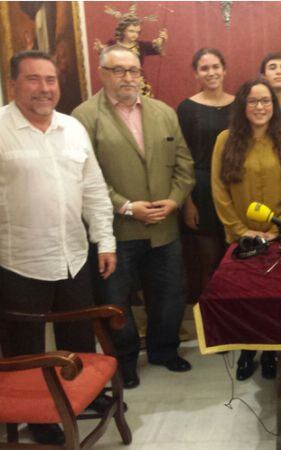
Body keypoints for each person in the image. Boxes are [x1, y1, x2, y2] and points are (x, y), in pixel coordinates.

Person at [0, 50, 117, 446]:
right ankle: (37, 416)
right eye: (33, 79)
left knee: (77, 337)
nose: (44, 88)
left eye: (50, 79)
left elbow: (94, 190)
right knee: (25, 348)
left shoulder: (73, 128)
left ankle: (77, 399)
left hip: (73, 255)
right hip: (18, 261)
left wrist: (105, 240)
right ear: (13, 83)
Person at [72, 45, 195, 390]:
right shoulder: (83, 117)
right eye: (119, 70)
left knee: (170, 295)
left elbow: (184, 166)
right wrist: (127, 206)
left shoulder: (163, 112)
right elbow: (85, 177)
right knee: (116, 302)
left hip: (164, 227)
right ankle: (124, 362)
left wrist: (173, 201)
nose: (128, 77)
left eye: (134, 70)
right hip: (117, 230)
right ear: (102, 73)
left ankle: (164, 351)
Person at [211, 78, 281, 381]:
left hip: (278, 237)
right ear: (242, 105)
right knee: (245, 300)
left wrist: (280, 227)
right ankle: (247, 352)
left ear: (274, 107)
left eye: (266, 101)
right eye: (253, 101)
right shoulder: (225, 140)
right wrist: (240, 230)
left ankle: (272, 353)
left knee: (274, 300)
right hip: (242, 238)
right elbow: (219, 188)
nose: (260, 107)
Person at [177, 48, 233, 301]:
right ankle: (210, 323)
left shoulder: (239, 104)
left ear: (224, 69)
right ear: (196, 73)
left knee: (236, 260)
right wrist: (188, 203)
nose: (211, 73)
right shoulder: (187, 108)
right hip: (201, 191)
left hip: (235, 189)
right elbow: (182, 157)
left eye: (215, 67)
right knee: (208, 261)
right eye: (204, 68)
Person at [93, 14, 168, 97]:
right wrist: (101, 50)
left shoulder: (142, 45)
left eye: (137, 32)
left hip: (138, 82)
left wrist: (161, 40)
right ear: (123, 30)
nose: (135, 34)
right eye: (131, 31)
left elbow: (157, 49)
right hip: (118, 80)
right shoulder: (113, 44)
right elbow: (106, 58)